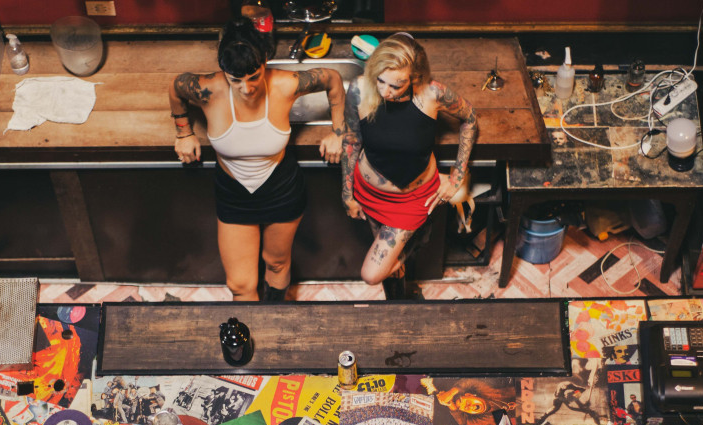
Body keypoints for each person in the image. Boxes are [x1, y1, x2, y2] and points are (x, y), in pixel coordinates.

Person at [170, 18, 345, 302]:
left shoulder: (286, 84)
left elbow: (333, 80)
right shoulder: (207, 89)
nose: (247, 88)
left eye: (253, 76)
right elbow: (176, 87)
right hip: (233, 194)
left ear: (265, 60)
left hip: (281, 189)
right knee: (240, 284)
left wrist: (338, 131)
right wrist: (183, 132)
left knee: (276, 263)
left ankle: (274, 317)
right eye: (235, 80)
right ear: (223, 70)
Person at [341, 33, 478, 299]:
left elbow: (470, 118)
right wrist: (347, 194)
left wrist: (457, 176)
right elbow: (352, 139)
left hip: (412, 199)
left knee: (372, 273)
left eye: (396, 85)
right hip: (369, 193)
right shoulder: (360, 88)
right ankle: (399, 303)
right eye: (380, 80)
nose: (384, 91)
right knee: (391, 267)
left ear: (414, 77)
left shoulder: (432, 94)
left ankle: (404, 288)